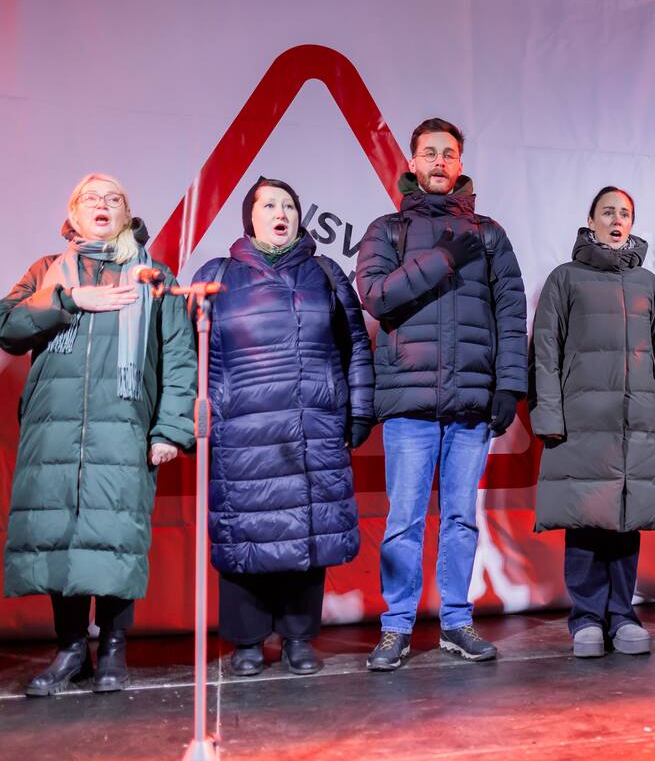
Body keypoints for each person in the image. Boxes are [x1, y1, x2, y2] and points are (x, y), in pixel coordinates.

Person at [1, 174, 196, 695]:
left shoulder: (153, 275)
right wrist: (68, 299)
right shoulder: (47, 272)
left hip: (124, 427)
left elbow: (179, 357)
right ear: (74, 213)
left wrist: (170, 429)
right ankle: (71, 650)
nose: (103, 205)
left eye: (114, 199)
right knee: (59, 535)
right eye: (92, 198)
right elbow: (7, 326)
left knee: (113, 538)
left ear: (127, 214)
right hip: (53, 431)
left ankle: (112, 647)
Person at [356, 117, 527, 669]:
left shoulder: (490, 233)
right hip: (409, 402)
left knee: (460, 519)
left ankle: (456, 621)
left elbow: (511, 311)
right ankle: (396, 627)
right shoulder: (387, 230)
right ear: (411, 163)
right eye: (428, 153)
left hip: (471, 402)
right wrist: (443, 258)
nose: (438, 162)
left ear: (459, 164)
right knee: (404, 520)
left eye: (447, 153)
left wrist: (509, 386)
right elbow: (376, 296)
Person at [192, 177, 375, 676]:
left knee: (306, 534)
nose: (281, 213)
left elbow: (355, 345)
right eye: (269, 205)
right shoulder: (217, 275)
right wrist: (198, 419)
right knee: (244, 535)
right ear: (249, 218)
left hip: (312, 426)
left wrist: (359, 411)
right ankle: (247, 641)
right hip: (241, 431)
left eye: (289, 206)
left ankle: (298, 637)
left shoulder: (325, 273)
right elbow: (191, 354)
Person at [530, 186, 655, 657]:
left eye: (625, 214)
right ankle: (585, 618)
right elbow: (545, 352)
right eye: (608, 212)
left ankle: (621, 614)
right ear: (591, 220)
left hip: (634, 427)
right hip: (580, 426)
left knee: (626, 519)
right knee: (584, 519)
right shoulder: (565, 279)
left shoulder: (648, 284)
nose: (617, 221)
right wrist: (549, 415)